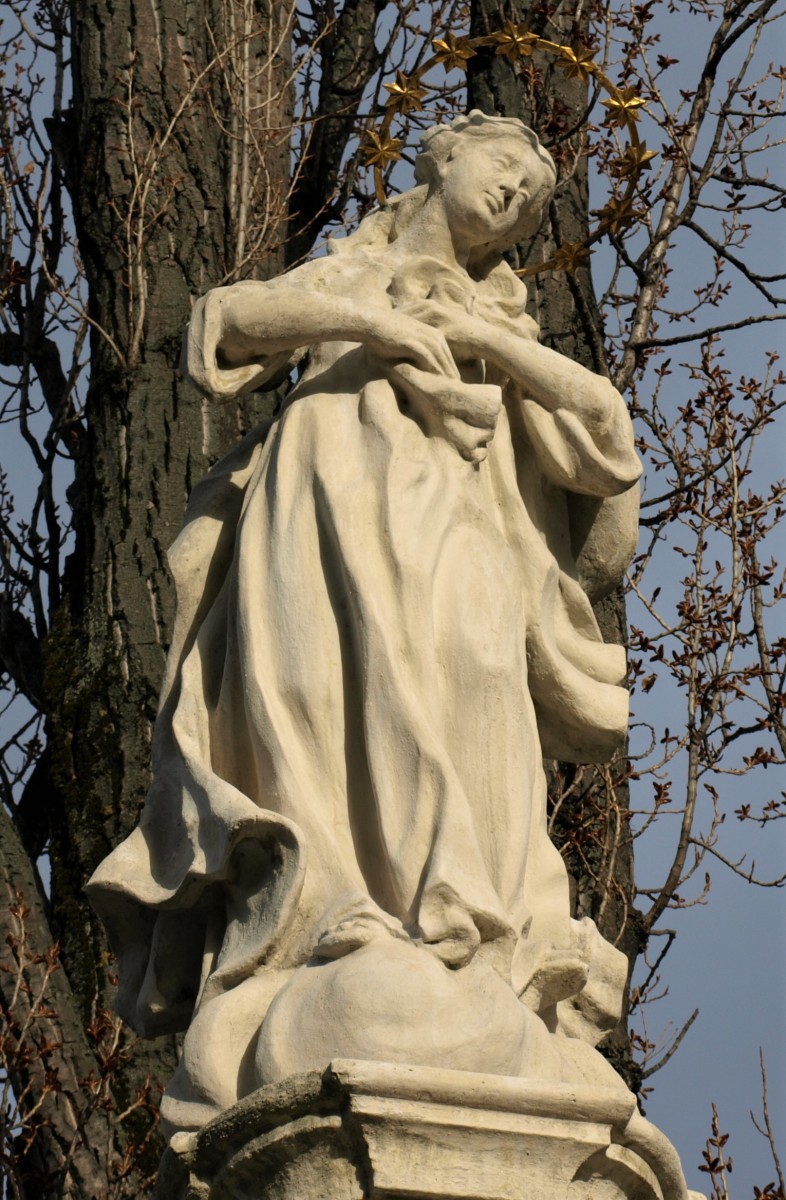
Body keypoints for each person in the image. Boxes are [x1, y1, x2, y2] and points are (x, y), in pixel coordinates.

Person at [88, 111, 643, 1134]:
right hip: (324, 497)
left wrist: (476, 342)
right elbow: (225, 325)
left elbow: (606, 451)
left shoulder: (505, 324)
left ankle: (466, 925)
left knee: (472, 682)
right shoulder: (350, 273)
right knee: (315, 690)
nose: (515, 196)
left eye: (532, 197)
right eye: (504, 168)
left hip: (456, 525)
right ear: (442, 155)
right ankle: (340, 909)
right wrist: (377, 327)